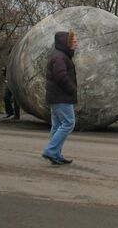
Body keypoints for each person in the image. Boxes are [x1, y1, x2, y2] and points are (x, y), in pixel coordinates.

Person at [41, 29, 77, 165]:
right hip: (61, 97)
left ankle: (55, 154)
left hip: (55, 97)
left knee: (57, 126)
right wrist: (72, 89)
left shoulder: (59, 55)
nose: (76, 43)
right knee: (68, 123)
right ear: (66, 43)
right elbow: (61, 76)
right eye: (74, 41)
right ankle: (51, 150)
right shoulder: (60, 57)